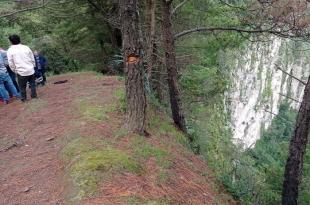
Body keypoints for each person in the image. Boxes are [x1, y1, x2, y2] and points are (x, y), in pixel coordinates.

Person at [7, 35, 37, 102]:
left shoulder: (10, 50)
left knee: (22, 86)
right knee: (32, 84)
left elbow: (11, 63)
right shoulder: (26, 47)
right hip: (30, 69)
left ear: (11, 41)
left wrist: (15, 70)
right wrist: (33, 66)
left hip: (21, 71)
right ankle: (34, 96)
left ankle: (24, 99)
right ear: (19, 39)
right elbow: (32, 57)